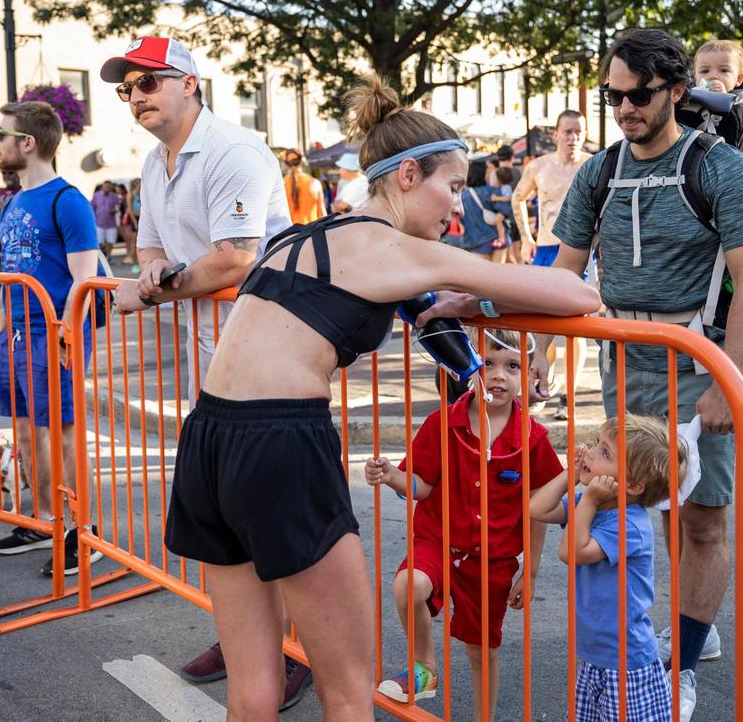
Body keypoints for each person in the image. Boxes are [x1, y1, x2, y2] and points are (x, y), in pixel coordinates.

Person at [159, 72, 598, 720]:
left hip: (208, 437)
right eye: (454, 186)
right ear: (409, 176)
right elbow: (579, 295)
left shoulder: (297, 236)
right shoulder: (398, 250)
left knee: (252, 687)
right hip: (280, 442)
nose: (457, 207)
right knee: (347, 691)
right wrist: (475, 300)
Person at [530, 29, 743, 722]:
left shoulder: (720, 167)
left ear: (675, 90)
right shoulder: (600, 171)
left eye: (638, 95)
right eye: (613, 95)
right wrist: (537, 347)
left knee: (700, 521)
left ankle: (684, 659)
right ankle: (671, 627)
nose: (624, 108)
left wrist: (727, 377)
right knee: (637, 510)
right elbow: (565, 270)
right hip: (624, 365)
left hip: (699, 362)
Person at [98, 35, 305, 709]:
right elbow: (151, 243)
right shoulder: (157, 163)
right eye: (127, 88)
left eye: (148, 82)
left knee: (273, 513)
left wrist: (153, 288)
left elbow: (236, 257)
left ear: (191, 82)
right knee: (228, 511)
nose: (136, 97)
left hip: (271, 360)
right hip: (214, 361)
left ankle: (294, 651)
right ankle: (249, 636)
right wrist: (153, 266)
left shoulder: (233, 150)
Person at [364, 328, 563, 721]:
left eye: (512, 366)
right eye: (488, 363)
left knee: (482, 651)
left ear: (531, 375)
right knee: (409, 584)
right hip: (438, 541)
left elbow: (539, 508)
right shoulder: (442, 423)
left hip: (493, 561)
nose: (498, 375)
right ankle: (425, 669)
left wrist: (531, 573)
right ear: (470, 366)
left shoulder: (534, 438)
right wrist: (391, 476)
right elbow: (421, 485)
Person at [0, 101, 104, 578]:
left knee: (64, 432)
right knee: (26, 429)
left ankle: (83, 530)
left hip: (51, 335)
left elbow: (84, 280)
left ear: (27, 143)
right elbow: (10, 267)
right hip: (13, 334)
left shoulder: (68, 200)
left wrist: (65, 335)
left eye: (2, 134)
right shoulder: (12, 202)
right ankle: (45, 520)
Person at [530, 415, 687, 722]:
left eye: (604, 453)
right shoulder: (595, 504)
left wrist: (586, 500)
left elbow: (570, 553)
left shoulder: (630, 524)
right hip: (594, 653)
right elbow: (537, 508)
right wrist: (571, 474)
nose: (590, 452)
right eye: (598, 444)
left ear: (632, 485)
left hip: (626, 660)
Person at [513, 109, 592, 420]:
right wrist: (526, 237)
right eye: (568, 131)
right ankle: (546, 382)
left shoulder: (590, 165)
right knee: (545, 325)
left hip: (581, 250)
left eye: (578, 131)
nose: (573, 137)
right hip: (546, 248)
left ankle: (569, 395)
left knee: (576, 328)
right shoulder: (539, 167)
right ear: (556, 134)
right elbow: (517, 197)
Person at [461, 159, 507, 262]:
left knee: (481, 276)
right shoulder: (492, 191)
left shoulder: (463, 196)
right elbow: (505, 209)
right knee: (498, 273)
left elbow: (461, 220)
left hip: (476, 241)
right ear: (482, 174)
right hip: (497, 237)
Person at [283, 148, 326, 224]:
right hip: (311, 233)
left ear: (286, 164)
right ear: (301, 162)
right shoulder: (314, 183)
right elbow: (322, 214)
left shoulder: (281, 184)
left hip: (289, 233)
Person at [90, 180, 120, 259]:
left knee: (110, 241)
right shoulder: (96, 195)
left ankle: (108, 256)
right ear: (102, 187)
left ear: (111, 188)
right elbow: (92, 207)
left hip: (111, 223)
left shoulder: (114, 196)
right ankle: (101, 256)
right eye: (106, 186)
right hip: (99, 223)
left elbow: (117, 207)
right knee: (99, 241)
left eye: (109, 187)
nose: (107, 188)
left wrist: (114, 210)